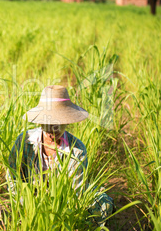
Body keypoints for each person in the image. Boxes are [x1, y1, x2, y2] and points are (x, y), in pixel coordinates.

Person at [6, 85, 113, 226]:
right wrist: (28, 202)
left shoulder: (77, 150)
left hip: (65, 200)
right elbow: (12, 177)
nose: (53, 129)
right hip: (31, 197)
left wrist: (57, 214)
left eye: (59, 122)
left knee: (102, 207)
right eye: (48, 122)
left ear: (67, 121)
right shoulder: (25, 141)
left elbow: (76, 193)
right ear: (39, 121)